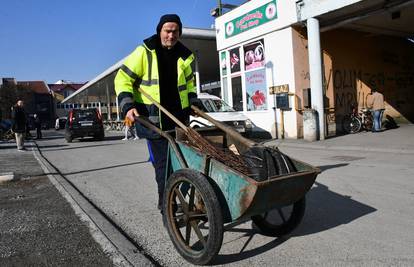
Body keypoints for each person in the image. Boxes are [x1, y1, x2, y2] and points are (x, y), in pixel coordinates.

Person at [114, 14, 199, 211]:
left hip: (179, 120)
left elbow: (189, 83)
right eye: (167, 31)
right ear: (159, 31)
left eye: (175, 31)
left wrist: (194, 102)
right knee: (163, 166)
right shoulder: (144, 52)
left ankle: (184, 195)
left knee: (185, 163)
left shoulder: (184, 56)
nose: (171, 35)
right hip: (154, 122)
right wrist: (128, 106)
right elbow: (122, 79)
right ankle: (166, 204)